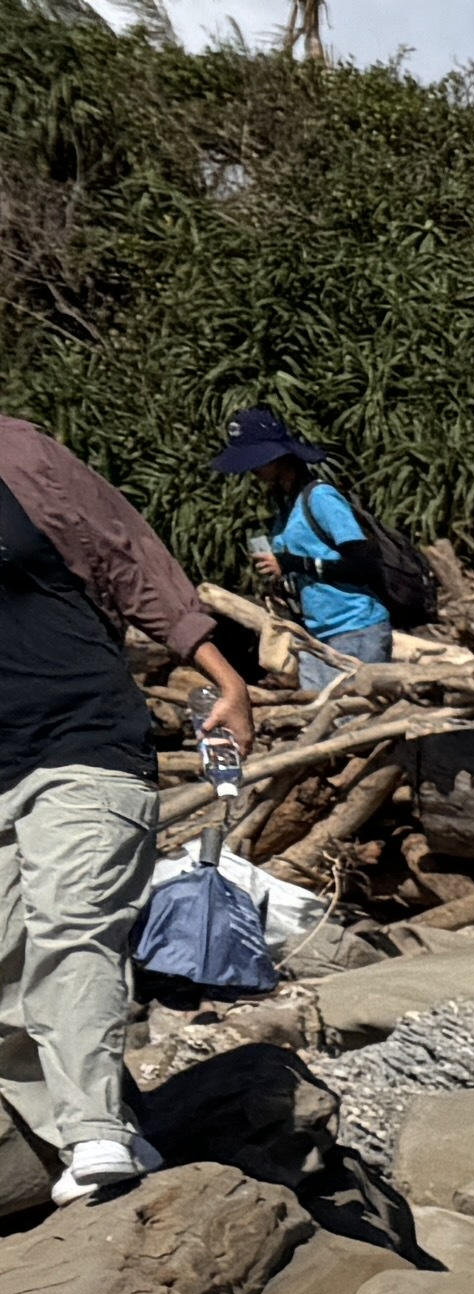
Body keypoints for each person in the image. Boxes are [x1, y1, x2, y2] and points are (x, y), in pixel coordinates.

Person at [0, 411, 257, 1204]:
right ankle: (120, 1133)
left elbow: (126, 555)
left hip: (84, 742)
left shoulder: (18, 452)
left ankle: (95, 1134)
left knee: (72, 925)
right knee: (6, 973)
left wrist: (222, 673)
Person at [212, 405, 392, 680]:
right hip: (312, 635)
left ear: (279, 457)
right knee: (319, 718)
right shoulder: (284, 508)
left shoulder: (320, 497)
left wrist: (290, 563)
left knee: (353, 720)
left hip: (356, 631)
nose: (252, 472)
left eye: (257, 462)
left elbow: (365, 564)